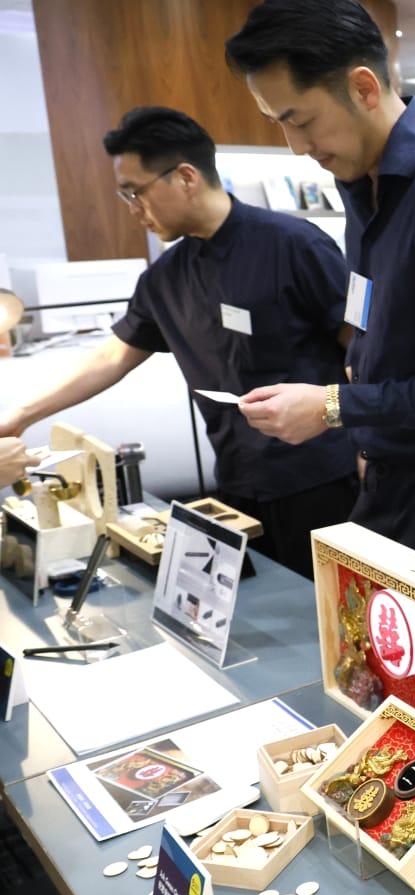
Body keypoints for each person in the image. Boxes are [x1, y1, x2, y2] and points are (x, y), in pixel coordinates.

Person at [226, 0, 415, 628]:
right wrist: (354, 401)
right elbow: (379, 324)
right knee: (378, 671)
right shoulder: (361, 187)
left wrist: (335, 407)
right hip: (388, 479)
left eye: (299, 120)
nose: (296, 147)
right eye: (278, 124)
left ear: (364, 88)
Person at [0, 107, 356, 578]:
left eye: (136, 191)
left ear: (186, 177)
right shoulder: (166, 277)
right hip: (235, 484)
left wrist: (373, 446)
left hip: (324, 481)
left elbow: (361, 348)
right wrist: (23, 415)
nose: (133, 208)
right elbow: (113, 355)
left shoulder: (293, 244)